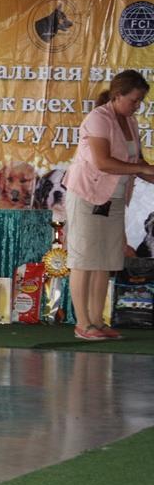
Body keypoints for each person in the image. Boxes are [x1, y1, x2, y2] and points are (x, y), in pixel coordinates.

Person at [63, 69, 154, 340]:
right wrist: (142, 168)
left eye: (140, 101)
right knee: (84, 260)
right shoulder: (98, 118)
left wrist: (148, 171)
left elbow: (137, 163)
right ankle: (83, 324)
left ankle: (97, 321)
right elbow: (103, 162)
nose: (137, 106)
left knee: (105, 260)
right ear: (117, 96)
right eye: (134, 100)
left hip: (114, 198)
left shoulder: (130, 122)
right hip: (88, 195)